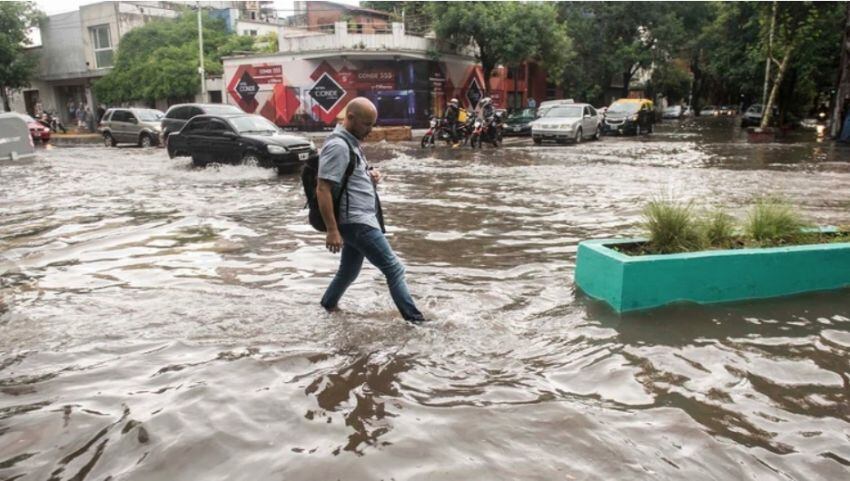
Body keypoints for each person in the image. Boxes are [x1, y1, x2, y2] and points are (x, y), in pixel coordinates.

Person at [316, 97, 427, 324]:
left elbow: (348, 179)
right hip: (357, 222)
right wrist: (331, 230)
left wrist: (370, 176)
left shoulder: (351, 142)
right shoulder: (338, 145)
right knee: (394, 269)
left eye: (373, 124)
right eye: (367, 124)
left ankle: (326, 307)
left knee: (348, 272)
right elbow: (323, 187)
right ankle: (416, 321)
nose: (370, 130)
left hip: (359, 220)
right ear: (350, 118)